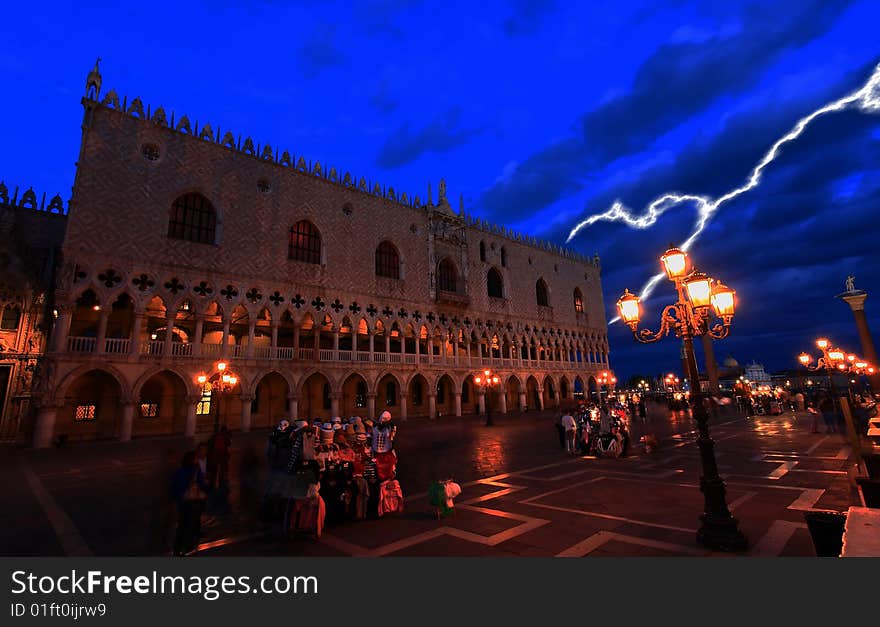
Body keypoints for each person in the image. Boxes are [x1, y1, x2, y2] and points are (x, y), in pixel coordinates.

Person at [170, 451, 209, 556]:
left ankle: (177, 549)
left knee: (181, 525)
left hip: (182, 502)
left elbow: (174, 487)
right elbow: (202, 485)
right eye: (196, 458)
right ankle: (187, 548)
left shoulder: (180, 471)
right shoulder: (195, 471)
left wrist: (178, 497)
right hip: (192, 502)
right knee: (191, 524)